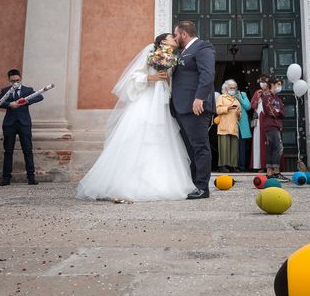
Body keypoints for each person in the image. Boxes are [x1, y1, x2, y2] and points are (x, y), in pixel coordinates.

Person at [77, 33, 196, 201]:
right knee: (140, 136)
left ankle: (160, 181)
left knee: (161, 139)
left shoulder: (174, 58)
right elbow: (133, 77)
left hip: (161, 102)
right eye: (171, 37)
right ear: (162, 41)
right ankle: (129, 183)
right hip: (146, 102)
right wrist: (151, 77)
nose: (174, 39)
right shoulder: (150, 54)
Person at [170, 21, 216, 199]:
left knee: (200, 147)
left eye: (175, 34)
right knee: (189, 149)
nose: (174, 37)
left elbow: (208, 73)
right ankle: (192, 184)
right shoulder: (182, 52)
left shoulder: (202, 47)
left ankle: (202, 187)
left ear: (183, 34)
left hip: (195, 106)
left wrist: (200, 98)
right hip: (181, 107)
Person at [0, 69, 44, 186]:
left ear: (20, 79)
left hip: (24, 123)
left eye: (17, 80)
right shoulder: (5, 90)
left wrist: (25, 101)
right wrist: (9, 104)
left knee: (27, 150)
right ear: (9, 80)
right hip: (9, 124)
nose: (15, 82)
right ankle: (6, 178)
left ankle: (31, 177)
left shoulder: (28, 90)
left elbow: (39, 97)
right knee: (8, 151)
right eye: (13, 81)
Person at [261, 76, 287, 181]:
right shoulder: (267, 97)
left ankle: (270, 173)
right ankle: (275, 172)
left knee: (273, 147)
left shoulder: (277, 99)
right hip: (270, 124)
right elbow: (270, 110)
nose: (279, 87)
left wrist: (278, 111)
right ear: (272, 84)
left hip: (277, 125)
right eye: (278, 84)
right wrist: (277, 112)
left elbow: (283, 112)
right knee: (277, 147)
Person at [215, 79, 242, 172]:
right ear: (226, 88)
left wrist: (239, 113)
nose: (233, 90)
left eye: (234, 88)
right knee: (224, 147)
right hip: (224, 125)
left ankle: (233, 166)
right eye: (231, 88)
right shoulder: (221, 98)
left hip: (234, 126)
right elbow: (217, 110)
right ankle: (223, 166)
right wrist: (228, 108)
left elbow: (240, 114)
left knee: (234, 148)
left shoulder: (236, 100)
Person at [250, 75, 269, 172]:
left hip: (268, 120)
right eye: (261, 81)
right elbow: (252, 106)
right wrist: (257, 98)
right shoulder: (257, 92)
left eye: (264, 81)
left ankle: (269, 166)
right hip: (258, 121)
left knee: (268, 142)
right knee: (258, 142)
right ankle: (260, 166)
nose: (262, 83)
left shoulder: (271, 93)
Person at [235, 84, 252, 171]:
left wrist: (240, 99)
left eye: (235, 87)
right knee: (233, 147)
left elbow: (248, 107)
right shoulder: (227, 95)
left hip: (242, 125)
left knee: (242, 147)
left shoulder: (243, 94)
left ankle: (242, 167)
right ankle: (233, 166)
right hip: (232, 124)